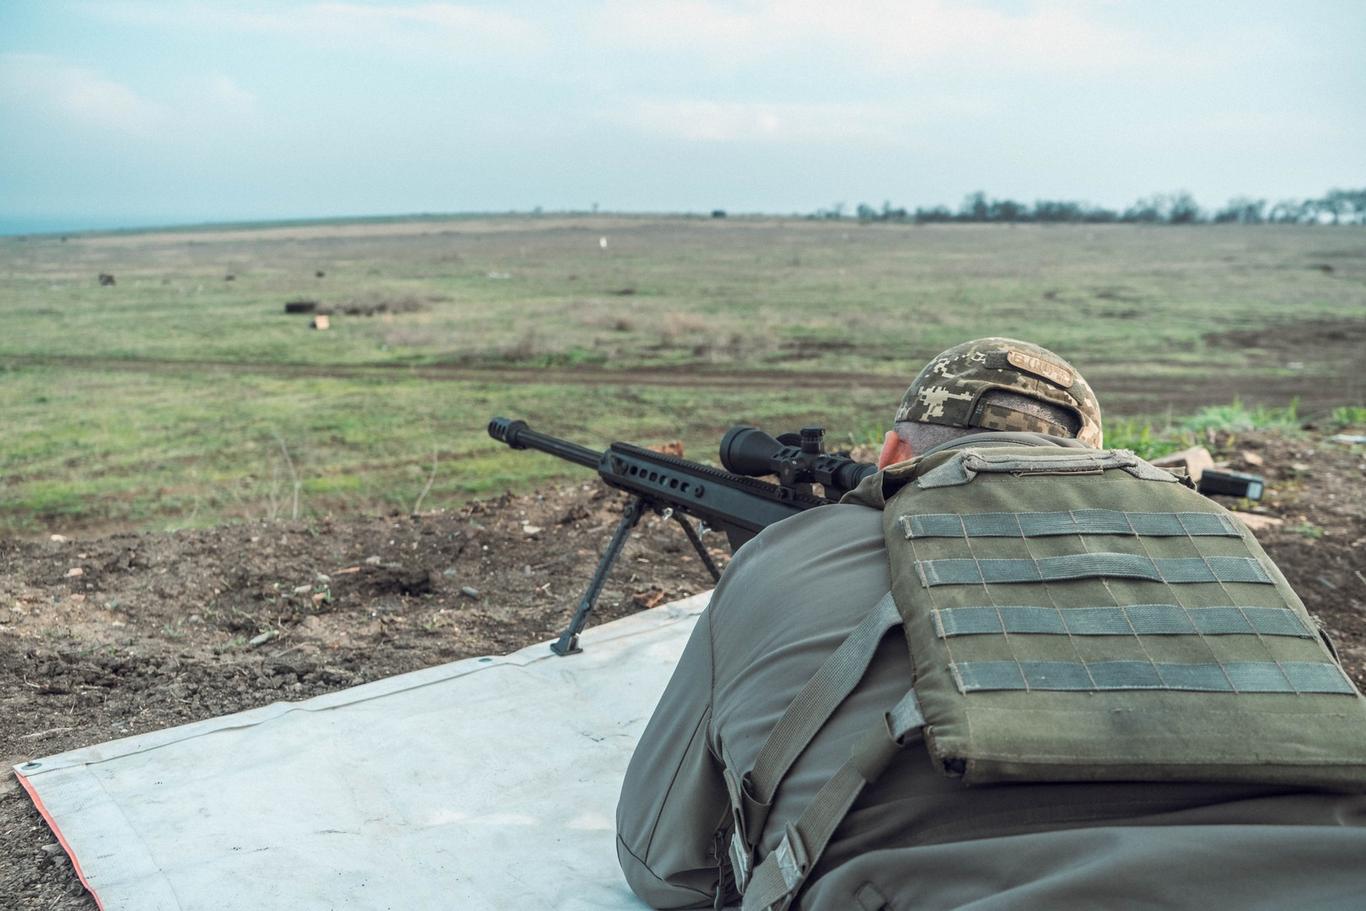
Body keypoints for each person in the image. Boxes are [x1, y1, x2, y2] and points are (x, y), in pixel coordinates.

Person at [616, 338, 1366, 911]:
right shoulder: (1220, 541)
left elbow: (663, 862)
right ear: (1089, 467)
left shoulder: (792, 554)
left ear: (890, 455)